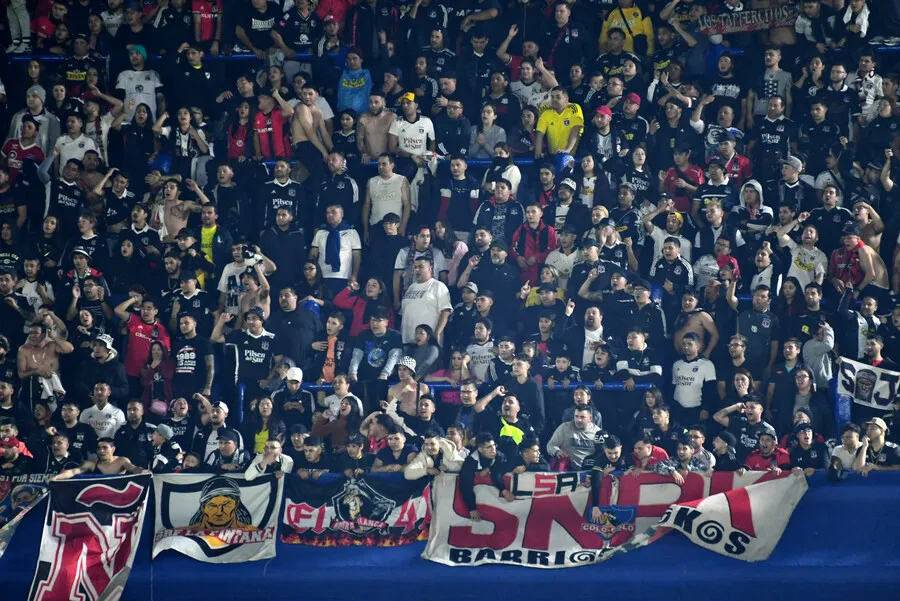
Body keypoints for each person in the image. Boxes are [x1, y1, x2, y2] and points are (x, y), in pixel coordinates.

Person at [459, 433, 506, 521]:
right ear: (480, 449)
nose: (493, 449)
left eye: (494, 445)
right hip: (480, 505)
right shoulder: (470, 462)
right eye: (488, 447)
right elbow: (465, 485)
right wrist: (471, 508)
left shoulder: (500, 456)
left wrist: (489, 469)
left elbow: (507, 466)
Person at [51, 437, 146, 479]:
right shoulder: (90, 464)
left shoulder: (121, 461)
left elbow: (133, 468)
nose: (101, 451)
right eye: (99, 448)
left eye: (105, 448)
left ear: (113, 449)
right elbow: (72, 472)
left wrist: (144, 472)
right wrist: (57, 477)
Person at [546, 404, 601, 469]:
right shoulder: (564, 428)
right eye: (576, 416)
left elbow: (603, 452)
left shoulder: (597, 432)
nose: (578, 420)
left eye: (582, 417)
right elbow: (550, 445)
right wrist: (557, 451)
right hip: (568, 468)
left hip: (589, 469)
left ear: (590, 418)